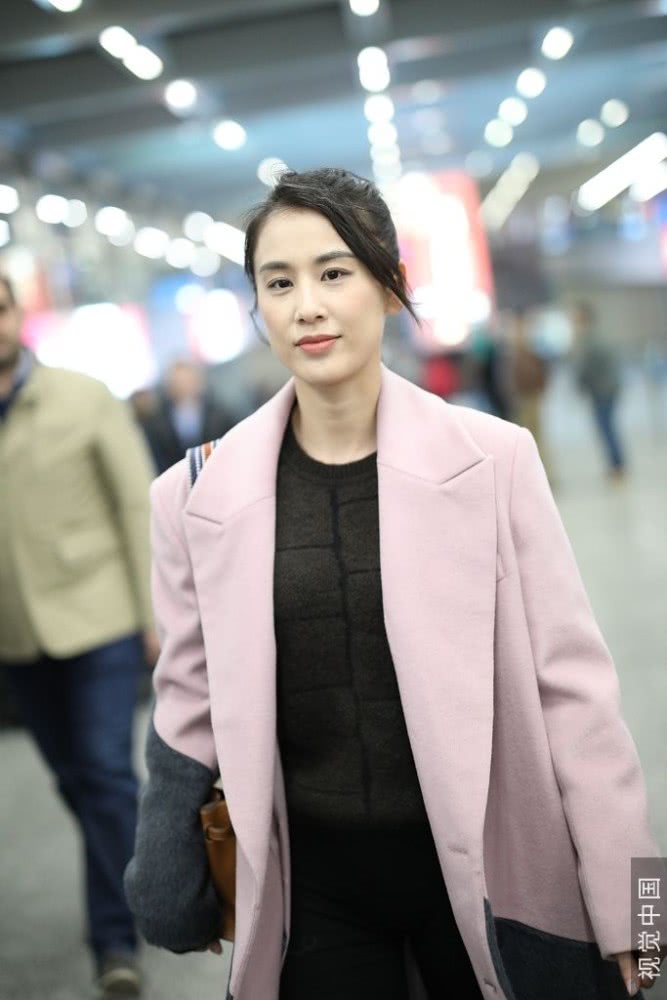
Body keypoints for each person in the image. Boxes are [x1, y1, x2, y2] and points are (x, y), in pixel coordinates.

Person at [124, 169, 664, 1000]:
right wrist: (164, 864)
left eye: (333, 272)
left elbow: (575, 695)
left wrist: (642, 912)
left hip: (494, 875)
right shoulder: (194, 496)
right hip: (313, 887)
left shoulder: (493, 461)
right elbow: (187, 700)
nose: (306, 305)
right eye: (278, 282)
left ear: (388, 286)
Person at [0, 275, 158, 998]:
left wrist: (155, 614)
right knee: (77, 781)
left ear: (18, 315)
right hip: (16, 634)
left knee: (102, 771)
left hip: (100, 619)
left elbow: (135, 505)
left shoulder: (82, 396)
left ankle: (115, 939)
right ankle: (153, 864)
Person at [137, 358, 234, 474]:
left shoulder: (219, 413)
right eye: (178, 383)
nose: (184, 387)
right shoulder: (159, 422)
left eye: (187, 381)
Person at [570, 300, 626, 479]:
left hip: (603, 392)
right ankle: (617, 464)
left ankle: (617, 465)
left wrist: (579, 387)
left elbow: (585, 369)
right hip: (607, 390)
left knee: (606, 428)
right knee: (609, 427)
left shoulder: (588, 340)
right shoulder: (596, 337)